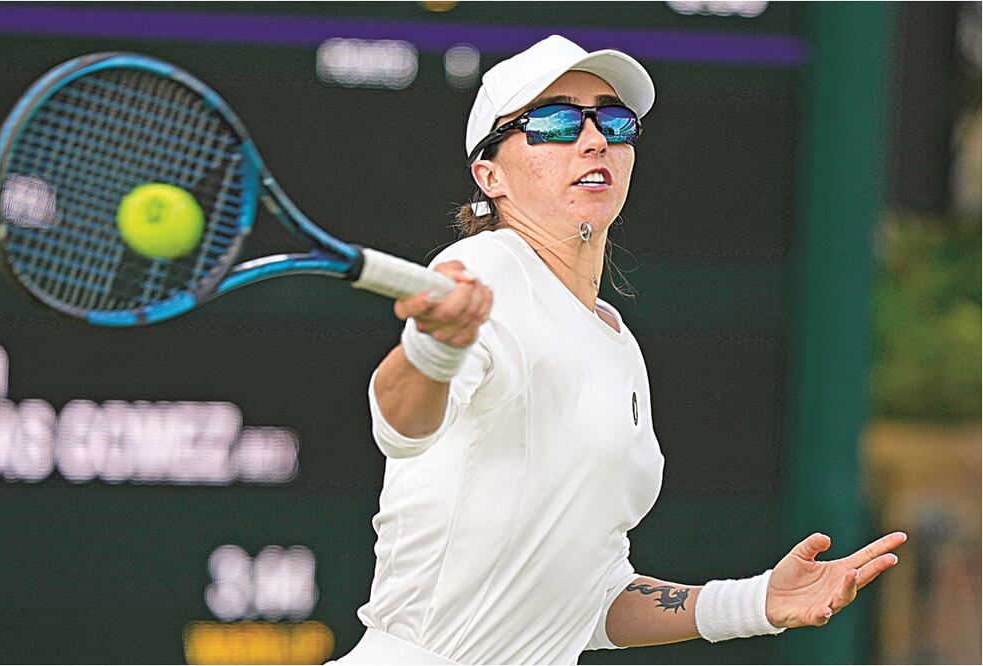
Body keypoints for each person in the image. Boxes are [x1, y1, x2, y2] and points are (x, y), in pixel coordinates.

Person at [336, 35, 907, 665]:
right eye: (554, 123)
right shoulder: (486, 268)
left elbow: (588, 601)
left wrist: (756, 602)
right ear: (489, 175)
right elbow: (401, 428)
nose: (593, 140)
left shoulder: (617, 344)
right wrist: (435, 350)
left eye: (613, 121)